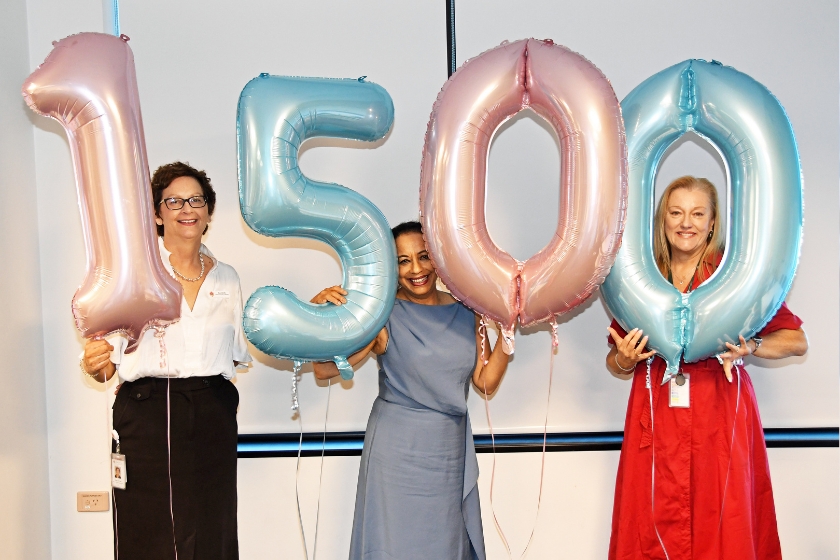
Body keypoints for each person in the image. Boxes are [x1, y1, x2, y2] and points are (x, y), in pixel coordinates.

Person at [605, 176, 808, 559]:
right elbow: (615, 362)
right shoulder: (642, 278)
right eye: (676, 212)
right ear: (662, 220)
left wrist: (753, 345)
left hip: (719, 413)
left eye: (698, 214)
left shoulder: (736, 278)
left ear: (713, 222)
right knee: (651, 522)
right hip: (656, 415)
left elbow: (797, 340)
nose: (687, 223)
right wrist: (624, 359)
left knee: (724, 519)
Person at [81, 162, 251, 560]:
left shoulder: (227, 278)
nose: (187, 209)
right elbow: (105, 366)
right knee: (149, 528)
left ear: (208, 211)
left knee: (213, 523)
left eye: (196, 200)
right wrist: (94, 362)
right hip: (148, 410)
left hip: (211, 408)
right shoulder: (133, 276)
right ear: (157, 214)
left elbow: (238, 353)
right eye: (174, 201)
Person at [311, 221, 510, 560]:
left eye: (424, 256)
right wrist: (319, 315)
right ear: (392, 268)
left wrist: (508, 329)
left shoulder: (469, 310)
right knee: (395, 545)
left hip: (448, 451)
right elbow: (324, 369)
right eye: (403, 261)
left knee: (445, 544)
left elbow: (485, 381)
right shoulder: (381, 313)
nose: (416, 269)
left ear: (439, 258)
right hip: (396, 453)